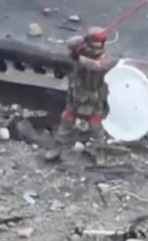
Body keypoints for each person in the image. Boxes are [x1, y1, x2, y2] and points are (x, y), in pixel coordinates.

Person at [45, 27, 113, 164]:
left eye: (97, 45)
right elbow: (70, 44)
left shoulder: (104, 58)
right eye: (92, 44)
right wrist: (81, 41)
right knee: (66, 122)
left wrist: (80, 58)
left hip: (94, 98)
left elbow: (97, 66)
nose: (94, 49)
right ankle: (57, 149)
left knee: (96, 127)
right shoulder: (80, 49)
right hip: (76, 94)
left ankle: (99, 152)